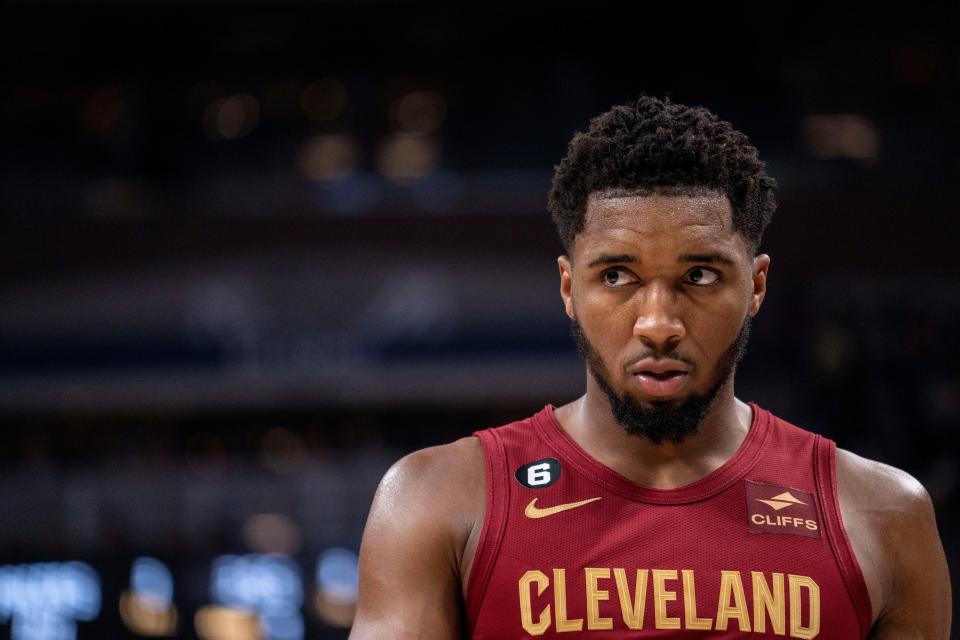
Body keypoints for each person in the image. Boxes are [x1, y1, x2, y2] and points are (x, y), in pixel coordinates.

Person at [348, 95, 952, 639]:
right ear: (567, 287)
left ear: (757, 284)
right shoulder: (437, 500)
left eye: (701, 276)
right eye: (617, 277)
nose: (658, 323)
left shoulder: (881, 512)